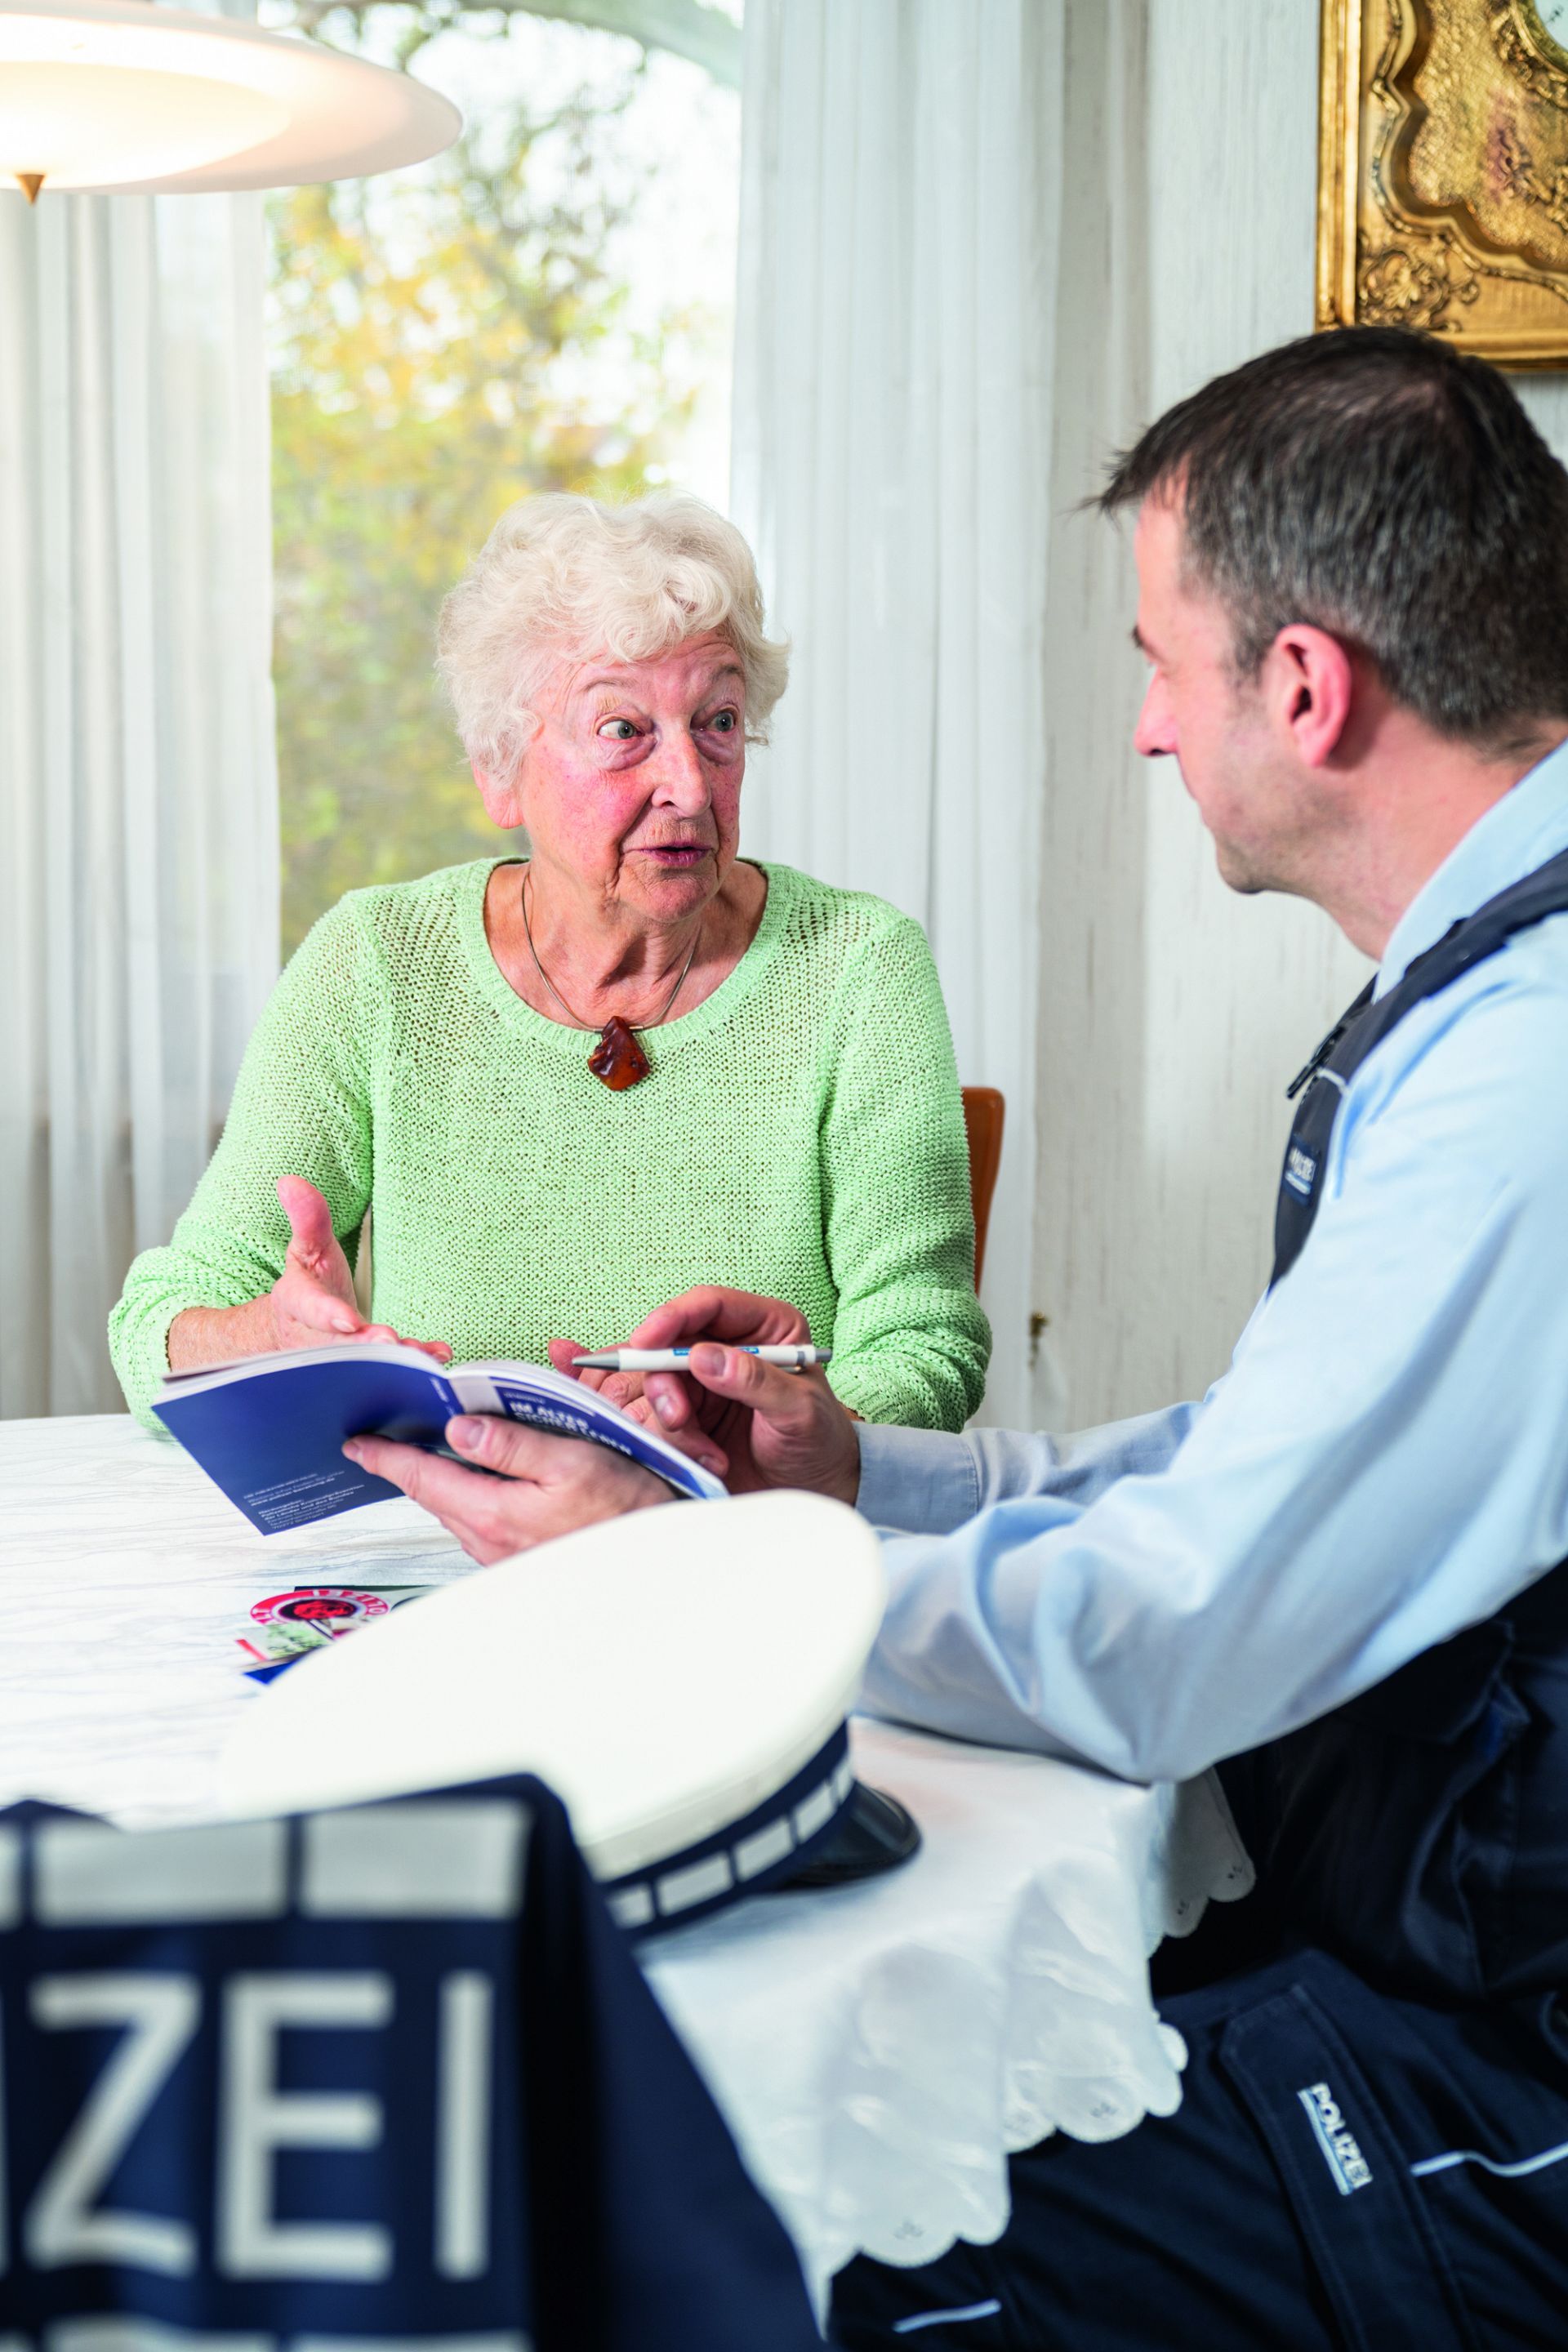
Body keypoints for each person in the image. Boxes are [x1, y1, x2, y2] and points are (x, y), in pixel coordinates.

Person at [348, 328, 1568, 2348]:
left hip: (1497, 2079)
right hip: (1395, 1945)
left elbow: (1172, 1636)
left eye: (1158, 663)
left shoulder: (1526, 1070)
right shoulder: (1483, 997)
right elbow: (1257, 1458)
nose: (1147, 735)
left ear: (1302, 687)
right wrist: (853, 1474)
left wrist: (709, 1569)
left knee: (709, 2244)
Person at [109, 492, 989, 1437]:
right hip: (447, 1550)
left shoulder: (858, 968)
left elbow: (923, 1347)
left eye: (719, 722)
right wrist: (265, 1341)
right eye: (623, 730)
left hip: (743, 1540)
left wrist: (778, 1444)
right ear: (500, 765)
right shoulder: (377, 963)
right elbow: (157, 1329)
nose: (689, 785)